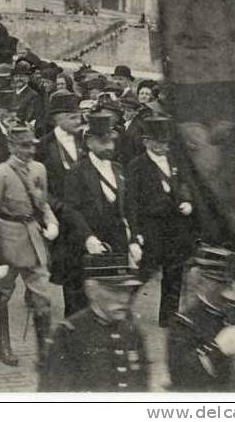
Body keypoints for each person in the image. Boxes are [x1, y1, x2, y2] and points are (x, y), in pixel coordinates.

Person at [0, 125, 59, 367]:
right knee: (3, 295)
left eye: (32, 145)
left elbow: (43, 203)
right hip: (8, 240)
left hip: (33, 237)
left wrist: (50, 221)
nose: (29, 150)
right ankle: (5, 347)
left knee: (42, 296)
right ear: (10, 146)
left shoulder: (39, 169)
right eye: (23, 146)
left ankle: (44, 350)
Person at [61, 112, 143, 317]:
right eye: (103, 142)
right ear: (89, 142)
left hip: (116, 245)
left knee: (114, 298)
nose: (110, 147)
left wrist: (133, 239)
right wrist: (88, 237)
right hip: (86, 246)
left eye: (111, 142)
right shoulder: (77, 172)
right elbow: (71, 209)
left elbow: (130, 207)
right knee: (81, 303)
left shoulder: (118, 169)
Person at [40, 253, 149, 392]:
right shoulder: (68, 335)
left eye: (127, 291)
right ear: (91, 290)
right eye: (114, 291)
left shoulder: (131, 331)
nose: (124, 299)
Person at [125, 116, 197, 326]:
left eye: (166, 142)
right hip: (151, 226)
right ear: (146, 141)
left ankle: (168, 317)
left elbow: (185, 186)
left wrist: (186, 201)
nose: (163, 146)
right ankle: (123, 310)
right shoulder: (136, 165)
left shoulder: (175, 161)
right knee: (144, 271)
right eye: (158, 142)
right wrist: (135, 232)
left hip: (176, 226)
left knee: (174, 273)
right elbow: (131, 201)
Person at [167, 245, 235, 392]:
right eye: (223, 284)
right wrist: (217, 350)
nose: (232, 293)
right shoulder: (184, 322)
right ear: (205, 282)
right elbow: (181, 377)